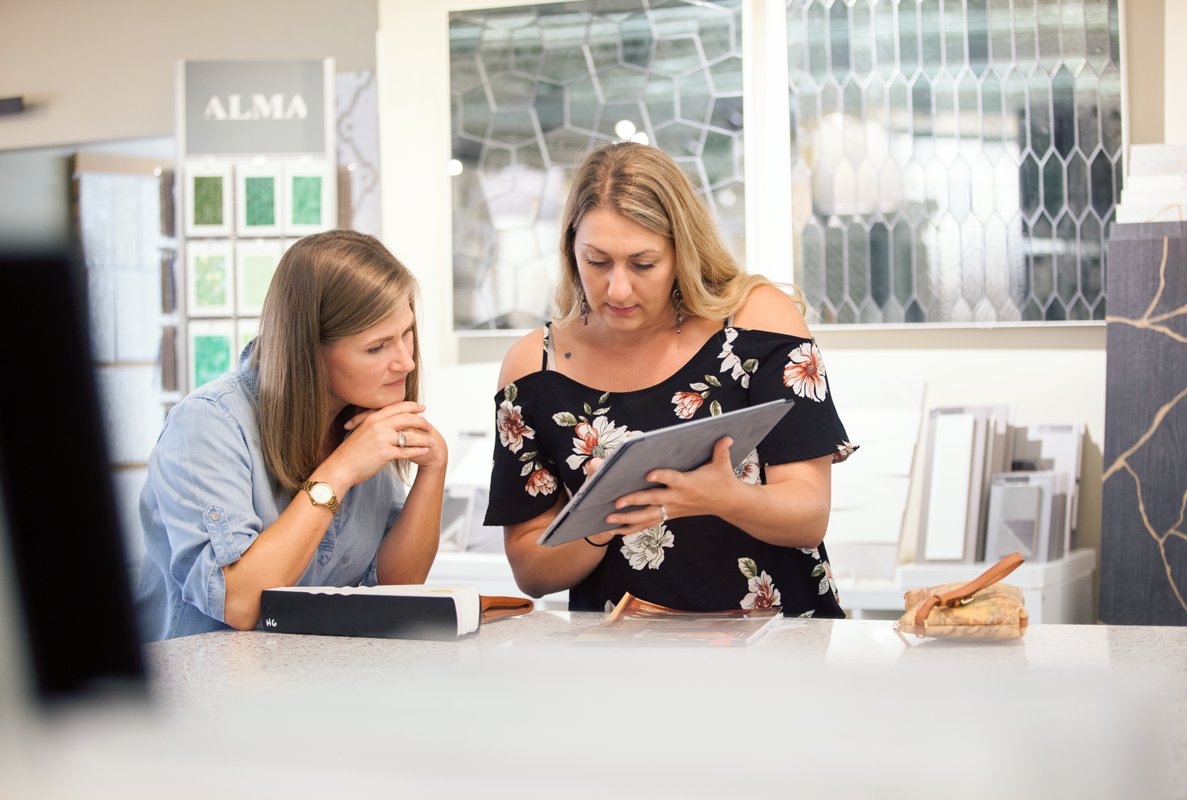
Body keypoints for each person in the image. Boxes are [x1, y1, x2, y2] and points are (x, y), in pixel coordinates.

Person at [484, 142, 856, 618]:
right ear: (569, 248)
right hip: (625, 666)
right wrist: (599, 520)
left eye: (643, 264)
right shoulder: (535, 368)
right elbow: (532, 573)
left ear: (683, 252)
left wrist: (725, 497)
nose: (618, 289)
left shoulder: (756, 324)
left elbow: (809, 515)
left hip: (777, 648)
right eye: (597, 262)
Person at [136, 230, 448, 641]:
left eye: (407, 333)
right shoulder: (207, 425)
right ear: (308, 352)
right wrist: (339, 471)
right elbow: (242, 602)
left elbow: (396, 587)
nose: (406, 362)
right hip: (197, 694)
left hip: (301, 690)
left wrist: (433, 469)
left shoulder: (363, 424)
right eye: (377, 347)